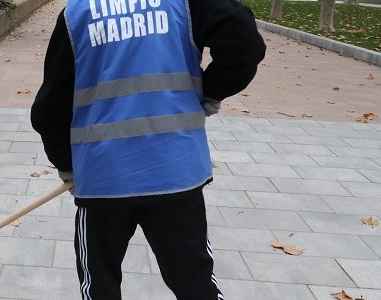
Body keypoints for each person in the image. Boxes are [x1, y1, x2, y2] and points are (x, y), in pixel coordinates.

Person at [30, 0, 266, 299]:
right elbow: (243, 43)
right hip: (175, 172)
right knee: (194, 283)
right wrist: (211, 90)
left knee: (98, 286)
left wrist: (65, 164)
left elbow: (51, 107)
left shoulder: (78, 13)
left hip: (103, 179)